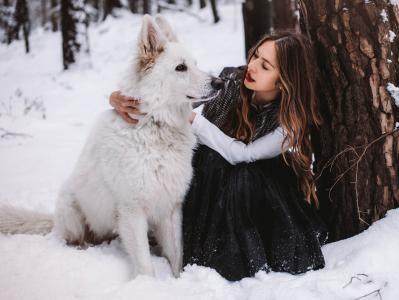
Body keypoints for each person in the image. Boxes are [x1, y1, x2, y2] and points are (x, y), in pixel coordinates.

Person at [109, 31, 328, 281]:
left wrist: (194, 120)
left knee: (243, 177)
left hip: (251, 187)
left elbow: (245, 155)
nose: (253, 66)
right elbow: (169, 95)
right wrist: (118, 98)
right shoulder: (231, 81)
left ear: (284, 81)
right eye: (256, 56)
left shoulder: (288, 125)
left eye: (265, 66)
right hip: (208, 172)